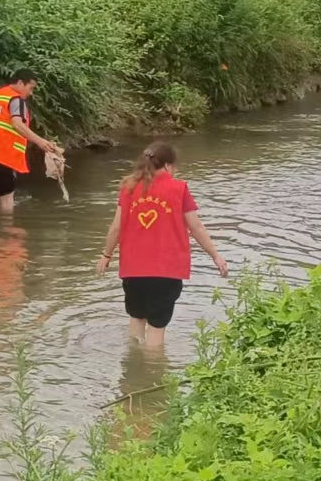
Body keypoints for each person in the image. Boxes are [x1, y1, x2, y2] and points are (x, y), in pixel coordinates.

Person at [95, 141, 229, 348]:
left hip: (133, 270)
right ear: (167, 166)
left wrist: (106, 255)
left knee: (137, 317)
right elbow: (196, 228)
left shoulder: (128, 188)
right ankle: (151, 374)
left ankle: (133, 368)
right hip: (166, 270)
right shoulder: (179, 188)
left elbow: (116, 227)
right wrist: (216, 255)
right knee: (157, 328)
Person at [0, 69, 61, 214]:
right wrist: (41, 142)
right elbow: (17, 124)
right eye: (31, 88)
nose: (31, 93)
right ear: (21, 83)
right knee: (7, 201)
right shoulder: (16, 100)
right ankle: (6, 232)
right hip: (1, 158)